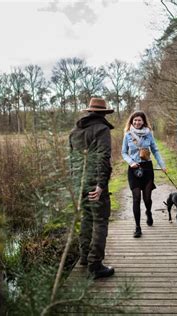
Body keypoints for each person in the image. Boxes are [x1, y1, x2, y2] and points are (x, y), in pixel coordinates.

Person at [69, 97, 115, 279]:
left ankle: (84, 257)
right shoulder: (102, 129)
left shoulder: (74, 131)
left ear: (89, 111)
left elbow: (72, 161)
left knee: (87, 219)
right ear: (103, 113)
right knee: (100, 221)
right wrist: (101, 185)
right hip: (95, 183)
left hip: (80, 182)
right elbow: (103, 158)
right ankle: (95, 264)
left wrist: (75, 184)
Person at [122, 111, 167, 238]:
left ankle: (148, 211)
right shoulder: (127, 135)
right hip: (133, 169)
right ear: (131, 121)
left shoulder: (149, 134)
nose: (137, 122)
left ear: (143, 121)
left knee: (147, 198)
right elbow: (124, 152)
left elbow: (155, 150)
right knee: (136, 198)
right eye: (135, 120)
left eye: (139, 120)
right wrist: (131, 162)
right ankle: (137, 227)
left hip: (147, 169)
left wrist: (162, 165)